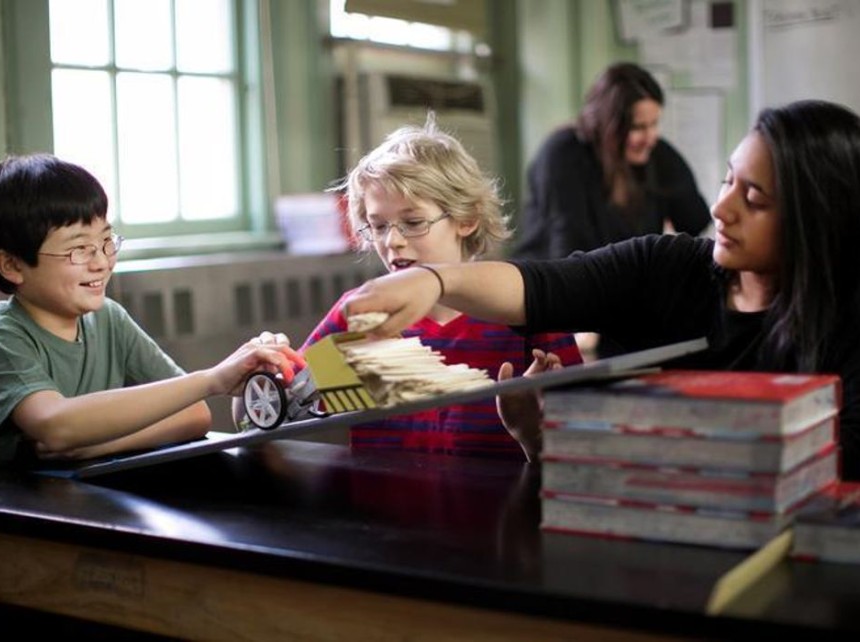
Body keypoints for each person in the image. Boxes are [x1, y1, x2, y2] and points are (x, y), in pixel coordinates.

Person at [341, 100, 860, 480]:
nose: (722, 209)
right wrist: (434, 279)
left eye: (754, 197)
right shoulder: (669, 265)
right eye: (727, 182)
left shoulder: (845, 326)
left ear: (816, 216)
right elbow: (543, 283)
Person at [234, 114, 582, 462]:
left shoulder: (525, 312)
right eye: (378, 226)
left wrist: (532, 433)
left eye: (413, 223)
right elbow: (265, 417)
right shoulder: (360, 318)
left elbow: (583, 443)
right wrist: (258, 374)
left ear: (467, 219)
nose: (393, 241)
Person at [0, 154, 304, 470]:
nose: (100, 262)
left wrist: (92, 446)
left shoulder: (108, 318)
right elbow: (56, 425)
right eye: (79, 249)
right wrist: (211, 379)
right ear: (11, 264)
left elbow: (194, 414)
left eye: (106, 242)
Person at [515, 61, 711, 260]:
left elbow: (694, 221)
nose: (650, 137)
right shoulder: (563, 153)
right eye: (637, 127)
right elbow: (568, 253)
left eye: (654, 123)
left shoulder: (654, 152)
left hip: (613, 280)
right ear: (608, 125)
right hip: (553, 281)